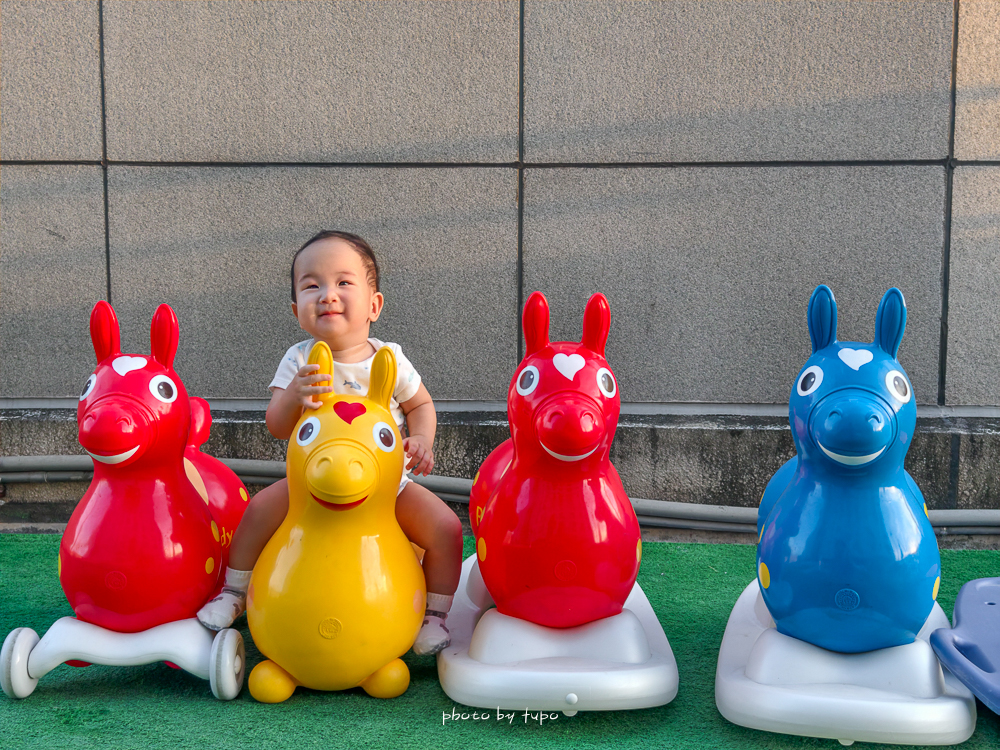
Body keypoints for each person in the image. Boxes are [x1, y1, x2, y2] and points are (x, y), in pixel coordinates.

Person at [197, 230, 463, 655]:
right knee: (259, 510)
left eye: (343, 282)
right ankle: (234, 592)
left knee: (446, 528)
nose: (327, 295)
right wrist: (293, 397)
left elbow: (421, 404)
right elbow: (276, 426)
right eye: (311, 285)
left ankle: (433, 615)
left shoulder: (388, 358)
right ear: (296, 310)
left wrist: (422, 439)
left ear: (374, 305)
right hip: (309, 489)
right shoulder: (300, 360)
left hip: (385, 489)